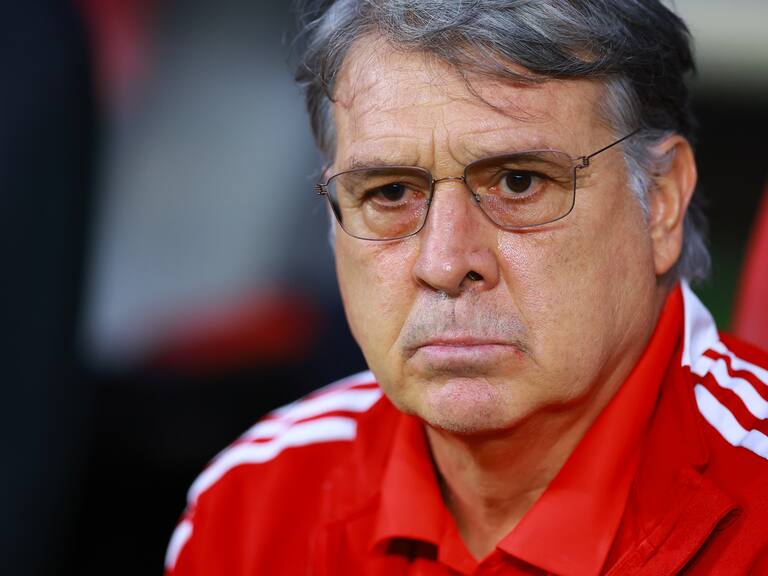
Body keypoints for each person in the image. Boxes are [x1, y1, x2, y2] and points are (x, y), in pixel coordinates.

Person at [165, 1, 768, 574]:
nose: (446, 261)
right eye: (391, 193)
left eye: (518, 181)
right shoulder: (251, 509)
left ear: (660, 201)